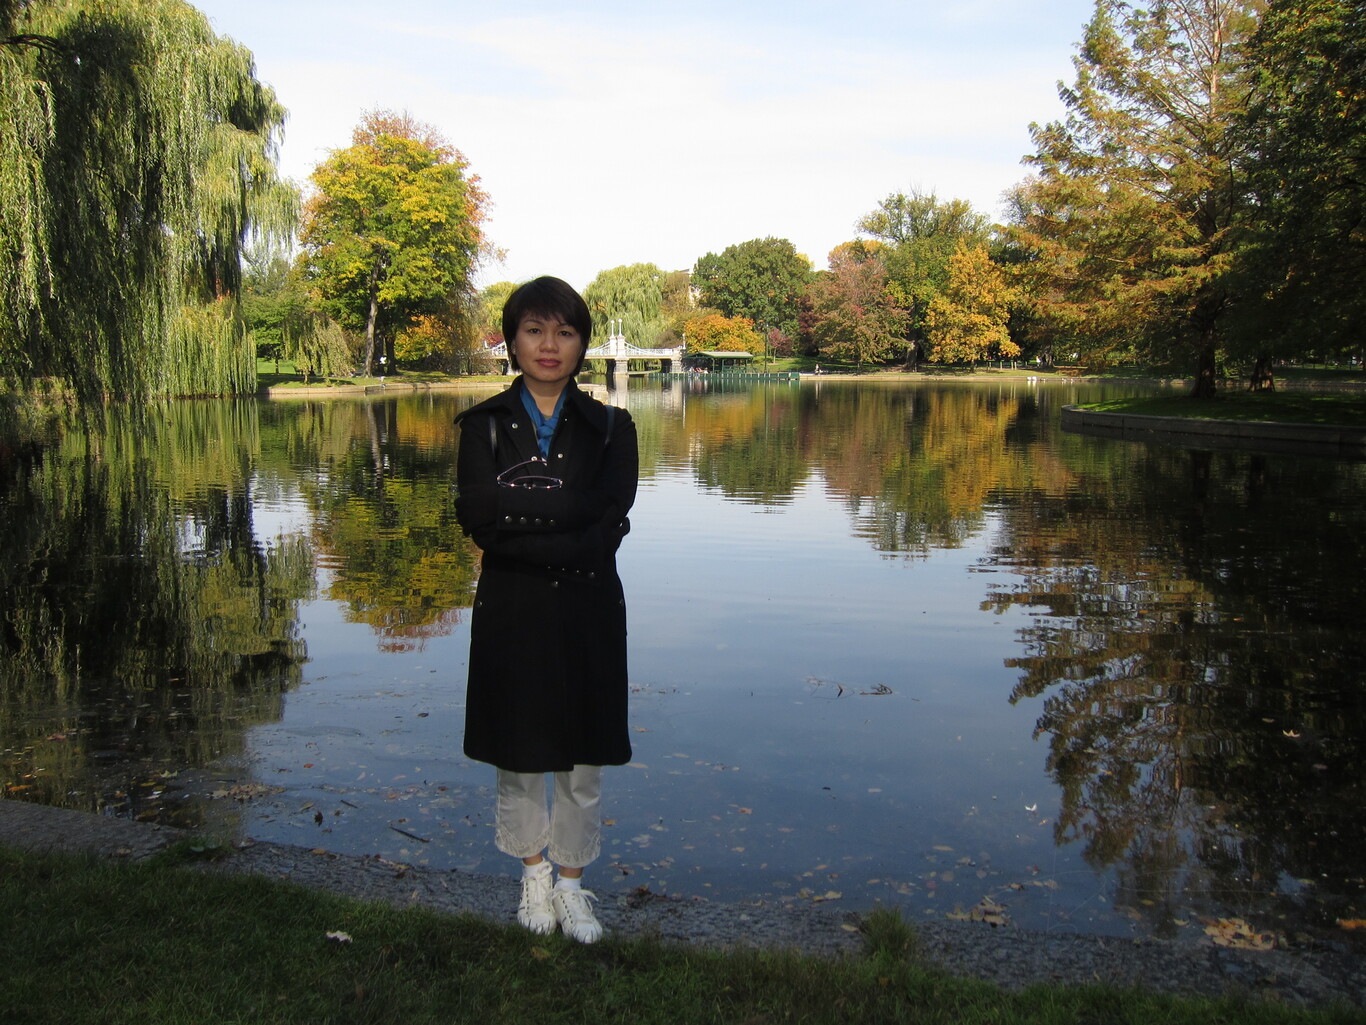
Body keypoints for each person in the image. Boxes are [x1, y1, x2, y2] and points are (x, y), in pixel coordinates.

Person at [453, 276, 638, 943]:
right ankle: (533, 873)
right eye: (534, 330)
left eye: (564, 331)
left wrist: (522, 507)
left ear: (583, 343)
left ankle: (571, 884)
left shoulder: (612, 428)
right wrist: (569, 510)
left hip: (589, 608)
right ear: (512, 340)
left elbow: (609, 519)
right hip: (514, 608)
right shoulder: (482, 426)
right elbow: (479, 520)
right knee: (521, 752)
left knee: (583, 761)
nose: (549, 344)